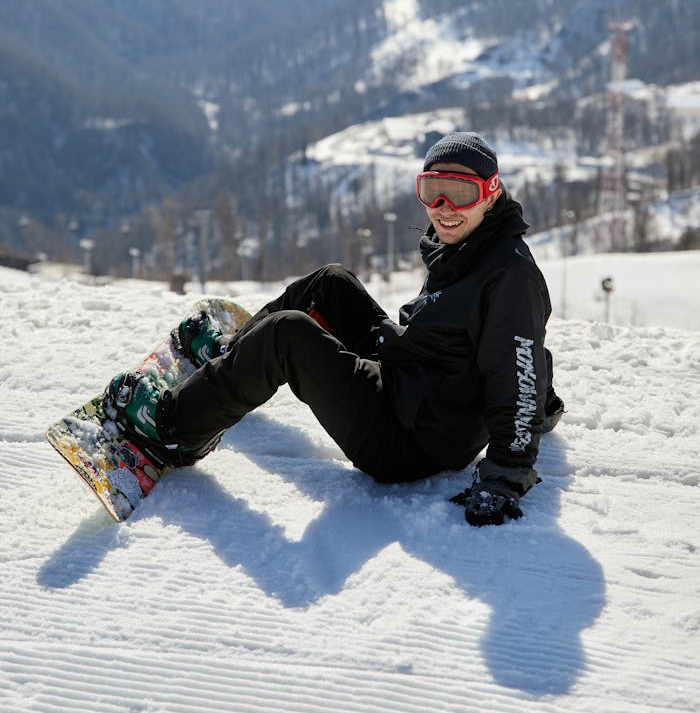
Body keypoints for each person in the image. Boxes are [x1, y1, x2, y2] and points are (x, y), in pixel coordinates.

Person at [105, 132, 564, 526]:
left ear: (492, 191)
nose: (444, 208)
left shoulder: (509, 275)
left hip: (411, 441)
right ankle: (230, 358)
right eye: (432, 190)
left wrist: (507, 472)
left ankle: (173, 429)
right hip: (416, 382)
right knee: (331, 283)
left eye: (460, 193)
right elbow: (505, 351)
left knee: (288, 335)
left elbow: (519, 368)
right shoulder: (472, 244)